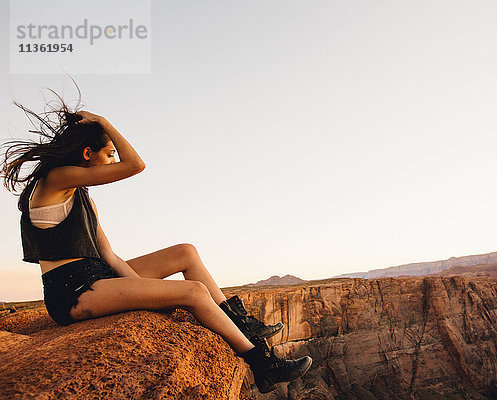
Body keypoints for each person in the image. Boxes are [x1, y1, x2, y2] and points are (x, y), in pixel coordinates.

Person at [0, 90, 311, 394]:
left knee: (185, 252)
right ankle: (263, 363)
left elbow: (108, 255)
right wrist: (104, 122)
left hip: (98, 276)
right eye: (109, 155)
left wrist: (147, 293)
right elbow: (135, 165)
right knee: (193, 292)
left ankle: (241, 325)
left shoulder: (80, 196)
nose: (112, 161)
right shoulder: (55, 179)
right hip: (73, 291)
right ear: (87, 154)